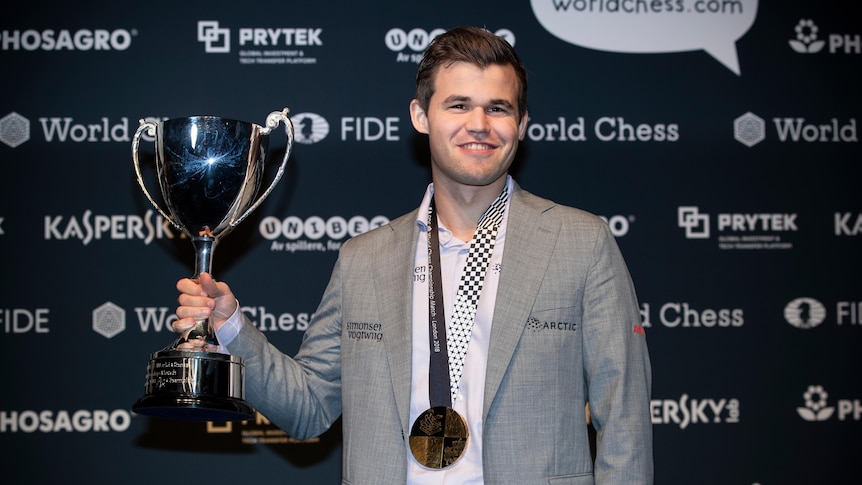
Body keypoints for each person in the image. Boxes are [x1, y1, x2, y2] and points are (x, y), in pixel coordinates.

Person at [174, 26, 653, 484]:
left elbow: (625, 417)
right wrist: (229, 325)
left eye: (499, 109)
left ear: (522, 124)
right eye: (459, 105)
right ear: (421, 116)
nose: (480, 125)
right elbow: (309, 409)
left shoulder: (581, 242)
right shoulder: (364, 259)